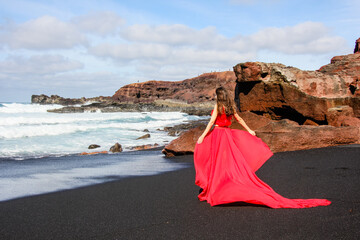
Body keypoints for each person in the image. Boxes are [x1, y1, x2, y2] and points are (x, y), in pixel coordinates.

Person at [194, 86, 331, 208]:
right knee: (229, 162)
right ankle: (221, 184)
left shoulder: (218, 107)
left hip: (218, 135)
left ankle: (216, 187)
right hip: (227, 135)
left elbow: (211, 122)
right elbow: (239, 119)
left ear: (219, 96)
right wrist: (249, 130)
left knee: (216, 161)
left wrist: (202, 136)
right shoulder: (230, 107)